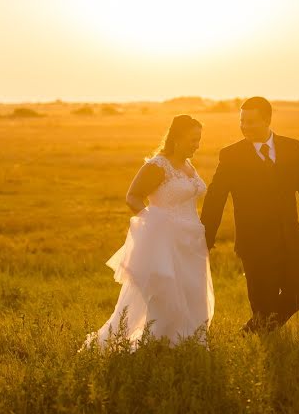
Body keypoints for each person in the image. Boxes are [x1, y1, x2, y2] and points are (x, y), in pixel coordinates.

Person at [201, 96, 299, 334]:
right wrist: (206, 238)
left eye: (251, 122)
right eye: (242, 121)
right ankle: (258, 340)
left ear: (268, 120)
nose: (245, 127)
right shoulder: (231, 155)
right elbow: (215, 199)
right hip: (254, 245)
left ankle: (249, 333)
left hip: (290, 239)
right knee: (262, 305)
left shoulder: (292, 147)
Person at [84, 115, 213, 349]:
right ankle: (160, 344)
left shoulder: (187, 166)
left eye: (199, 140)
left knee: (193, 294)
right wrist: (155, 225)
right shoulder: (157, 165)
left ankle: (188, 343)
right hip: (166, 241)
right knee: (166, 297)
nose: (197, 145)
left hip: (191, 243)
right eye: (193, 140)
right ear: (177, 138)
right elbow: (132, 197)